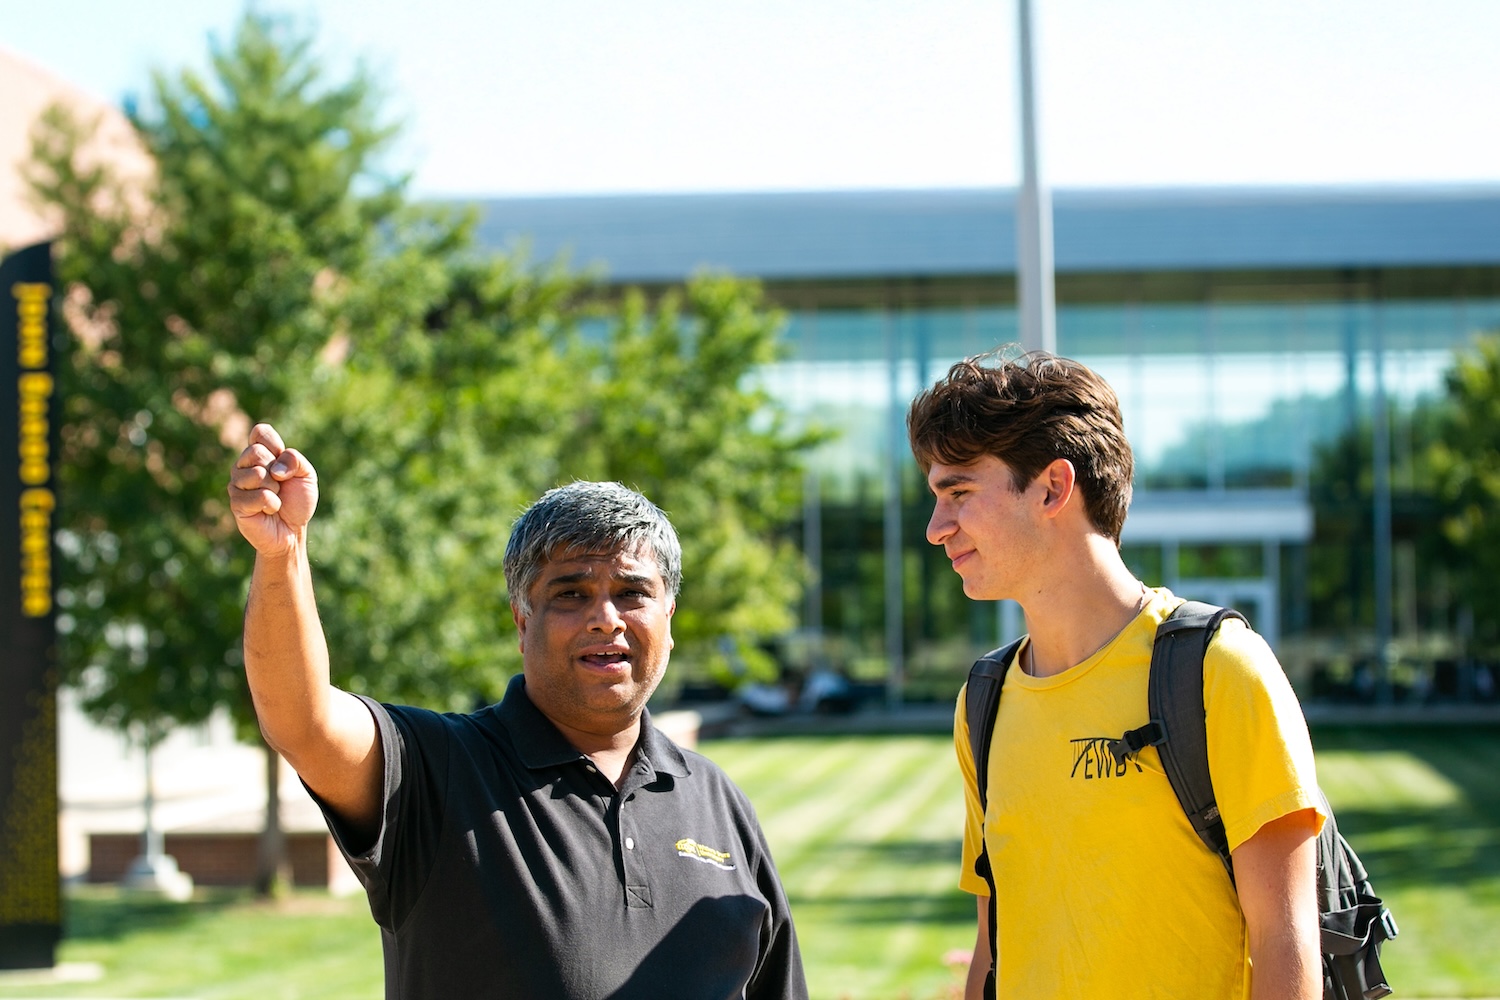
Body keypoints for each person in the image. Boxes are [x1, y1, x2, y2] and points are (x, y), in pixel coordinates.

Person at [227, 423, 807, 1000]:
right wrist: (283, 554)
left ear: (670, 619)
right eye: (571, 594)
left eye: (632, 592)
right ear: (522, 621)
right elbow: (302, 720)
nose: (606, 617)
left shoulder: (717, 803)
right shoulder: (439, 770)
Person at [906, 351, 1325, 1000]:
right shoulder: (984, 703)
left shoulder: (1218, 670)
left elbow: (1287, 947)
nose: (936, 529)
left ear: (1052, 487)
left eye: (958, 493)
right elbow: (993, 950)